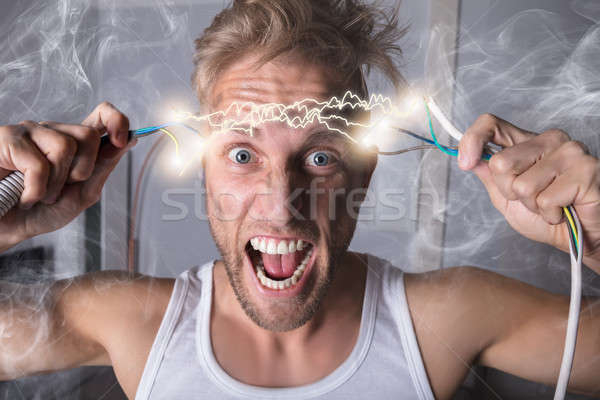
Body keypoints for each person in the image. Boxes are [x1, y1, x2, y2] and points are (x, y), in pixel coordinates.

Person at [0, 1, 598, 399]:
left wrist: (597, 235)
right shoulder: (130, 321)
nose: (281, 203)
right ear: (203, 171)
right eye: (241, 154)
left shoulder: (451, 314)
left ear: (363, 180)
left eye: (319, 157)